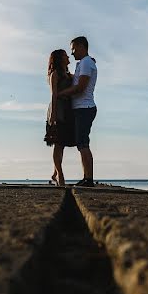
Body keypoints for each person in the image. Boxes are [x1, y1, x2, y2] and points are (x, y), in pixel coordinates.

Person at [58, 35, 97, 187]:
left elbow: (81, 87)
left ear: (81, 46)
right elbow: (77, 80)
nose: (72, 52)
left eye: (73, 48)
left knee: (83, 143)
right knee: (81, 143)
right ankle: (87, 178)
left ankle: (88, 179)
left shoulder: (86, 62)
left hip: (84, 108)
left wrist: (61, 94)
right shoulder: (85, 63)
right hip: (80, 109)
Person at [44, 48, 76, 186]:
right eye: (65, 55)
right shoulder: (55, 74)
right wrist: (53, 115)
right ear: (59, 59)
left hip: (68, 110)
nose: (68, 57)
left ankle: (55, 173)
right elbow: (54, 95)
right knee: (58, 144)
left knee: (61, 143)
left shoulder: (68, 75)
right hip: (58, 109)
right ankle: (60, 176)